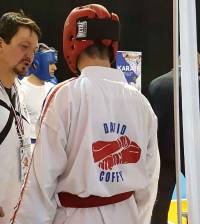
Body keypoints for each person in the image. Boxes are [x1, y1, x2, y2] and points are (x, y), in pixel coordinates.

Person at [11, 4, 160, 224]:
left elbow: (41, 184)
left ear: (72, 42)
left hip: (76, 217)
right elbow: (149, 180)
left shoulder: (65, 96)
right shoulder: (141, 103)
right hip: (127, 214)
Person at [148, 53, 200, 224]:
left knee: (159, 202)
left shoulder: (155, 84)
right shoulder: (194, 84)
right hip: (189, 151)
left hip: (160, 150)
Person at [0, 10, 41, 223]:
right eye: (24, 47)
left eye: (33, 50)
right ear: (0, 44)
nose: (30, 56)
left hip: (17, 211)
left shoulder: (21, 91)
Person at [21, 43, 57, 145]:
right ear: (37, 64)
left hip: (50, 145)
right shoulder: (20, 89)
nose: (55, 68)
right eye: (50, 63)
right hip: (28, 145)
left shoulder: (54, 89)